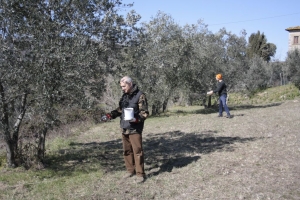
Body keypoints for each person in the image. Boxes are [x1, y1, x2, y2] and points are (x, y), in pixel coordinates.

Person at [105, 76, 149, 183]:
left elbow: (145, 113)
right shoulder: (125, 96)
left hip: (135, 128)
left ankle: (140, 174)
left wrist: (136, 119)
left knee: (137, 151)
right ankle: (130, 171)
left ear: (130, 84)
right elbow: (120, 110)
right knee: (127, 151)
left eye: (124, 86)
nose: (122, 88)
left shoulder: (140, 95)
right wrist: (110, 115)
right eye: (121, 87)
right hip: (124, 127)